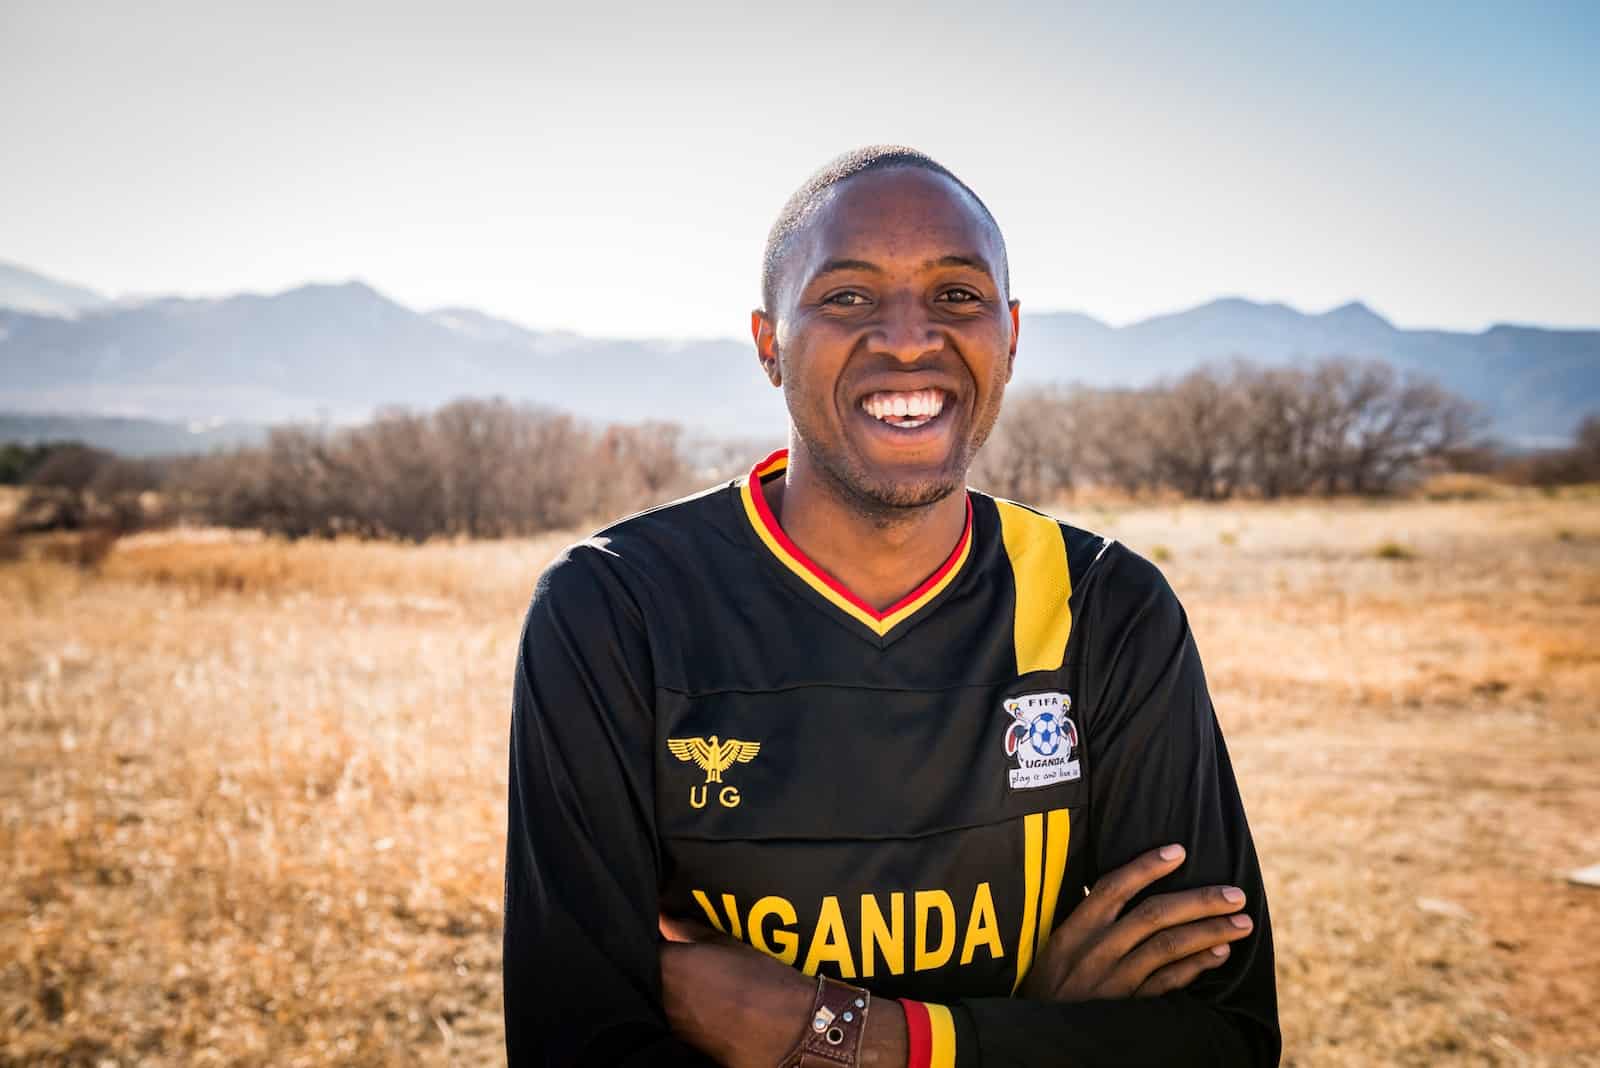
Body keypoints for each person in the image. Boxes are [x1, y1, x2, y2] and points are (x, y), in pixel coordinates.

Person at [503, 146, 1279, 1067]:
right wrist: (1043, 1030)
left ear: (1012, 335)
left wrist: (855, 1038)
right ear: (768, 344)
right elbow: (582, 1045)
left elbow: (1221, 1038)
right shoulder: (618, 608)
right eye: (848, 298)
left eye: (957, 295)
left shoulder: (1108, 607)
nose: (910, 340)